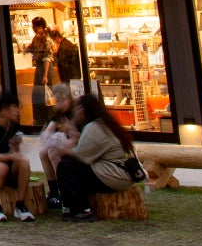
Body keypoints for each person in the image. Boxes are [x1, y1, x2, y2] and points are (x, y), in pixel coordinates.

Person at [55, 94, 139, 223]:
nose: (75, 113)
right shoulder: (104, 123)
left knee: (66, 166)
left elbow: (81, 155)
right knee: (68, 163)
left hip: (113, 176)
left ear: (83, 110)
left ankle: (81, 209)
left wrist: (66, 147)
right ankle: (72, 207)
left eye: (76, 109)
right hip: (119, 173)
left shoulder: (93, 127)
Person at [37, 83, 80, 203]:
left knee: (53, 152)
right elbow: (49, 129)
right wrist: (46, 136)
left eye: (62, 101)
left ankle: (64, 190)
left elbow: (78, 137)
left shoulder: (76, 112)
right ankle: (54, 191)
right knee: (43, 152)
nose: (59, 104)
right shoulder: (59, 113)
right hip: (70, 143)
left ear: (68, 98)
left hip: (80, 146)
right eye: (57, 101)